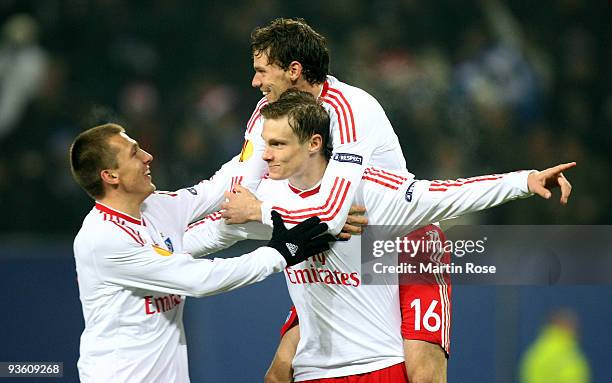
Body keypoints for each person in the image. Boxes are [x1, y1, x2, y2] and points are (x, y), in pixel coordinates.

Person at [184, 89, 575, 382]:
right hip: (320, 354)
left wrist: (524, 180)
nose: (264, 156)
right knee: (276, 373)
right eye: (265, 143)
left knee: (424, 371)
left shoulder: (370, 193)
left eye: (277, 144)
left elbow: (447, 194)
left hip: (392, 314)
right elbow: (207, 234)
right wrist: (138, 252)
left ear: (314, 143)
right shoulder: (262, 196)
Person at [219, 17, 453, 381]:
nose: (256, 82)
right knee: (279, 370)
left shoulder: (351, 110)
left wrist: (262, 210)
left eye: (262, 71)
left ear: (294, 71)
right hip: (332, 246)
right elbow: (238, 192)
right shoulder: (266, 116)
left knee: (422, 369)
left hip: (404, 242)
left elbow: (333, 208)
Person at [69, 123, 333, 383]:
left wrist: (263, 125)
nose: (147, 157)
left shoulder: (155, 207)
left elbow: (222, 187)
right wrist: (279, 253)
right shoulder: (102, 240)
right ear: (110, 176)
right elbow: (199, 280)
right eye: (134, 152)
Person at [519, 309, 591, 383]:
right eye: (569, 323)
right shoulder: (545, 351)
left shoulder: (568, 349)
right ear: (558, 325)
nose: (574, 328)